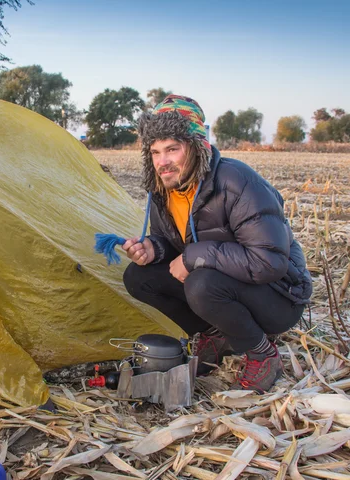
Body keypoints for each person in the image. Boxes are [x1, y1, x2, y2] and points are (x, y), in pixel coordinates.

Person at [122, 95, 312, 393]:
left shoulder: (237, 182)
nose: (163, 162)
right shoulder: (164, 189)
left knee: (201, 283)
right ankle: (217, 335)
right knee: (138, 277)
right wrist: (154, 249)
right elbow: (175, 247)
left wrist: (195, 256)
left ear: (198, 146)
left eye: (172, 149)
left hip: (279, 297)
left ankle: (262, 351)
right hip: (222, 279)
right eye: (155, 151)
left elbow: (269, 262)